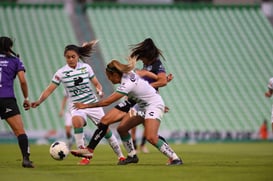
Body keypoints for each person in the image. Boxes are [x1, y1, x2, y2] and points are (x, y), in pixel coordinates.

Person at [71, 56, 183, 166]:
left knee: (151, 137)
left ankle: (175, 159)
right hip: (141, 105)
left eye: (109, 77)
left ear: (115, 74)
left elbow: (107, 102)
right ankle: (131, 156)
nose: (109, 79)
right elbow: (145, 76)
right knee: (121, 128)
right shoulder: (129, 74)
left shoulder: (127, 84)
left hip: (153, 105)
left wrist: (85, 106)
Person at [31, 41, 125, 165]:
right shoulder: (61, 73)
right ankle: (84, 156)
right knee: (76, 121)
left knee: (105, 130)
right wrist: (39, 101)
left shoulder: (86, 68)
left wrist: (99, 89)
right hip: (76, 106)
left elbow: (97, 83)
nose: (70, 59)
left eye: (73, 57)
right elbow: (49, 89)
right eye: (68, 57)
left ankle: (120, 156)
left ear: (78, 56)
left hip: (92, 103)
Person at [127, 38, 174, 154]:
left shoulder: (157, 64)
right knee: (128, 125)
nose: (142, 61)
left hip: (148, 103)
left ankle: (142, 147)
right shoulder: (146, 66)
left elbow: (161, 82)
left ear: (148, 56)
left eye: (143, 58)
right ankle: (134, 151)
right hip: (139, 102)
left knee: (150, 134)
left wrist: (148, 87)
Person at [0, 36, 34, 168]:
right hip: (7, 99)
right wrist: (26, 98)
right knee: (20, 131)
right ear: (10, 47)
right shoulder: (15, 61)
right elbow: (23, 81)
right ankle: (26, 159)